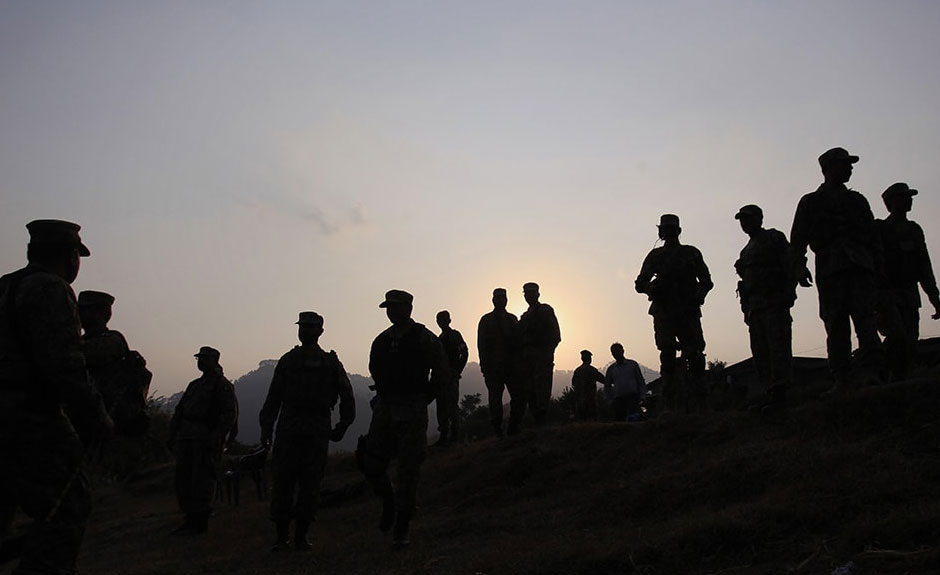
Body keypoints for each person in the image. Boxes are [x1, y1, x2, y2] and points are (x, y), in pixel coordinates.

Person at [0, 219, 113, 575]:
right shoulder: (51, 289)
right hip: (31, 419)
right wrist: (97, 417)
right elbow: (66, 366)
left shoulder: (5, 287)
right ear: (69, 256)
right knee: (68, 508)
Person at [358, 290, 448, 549]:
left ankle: (402, 525)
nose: (391, 312)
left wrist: (423, 398)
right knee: (371, 462)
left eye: (395, 307)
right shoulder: (382, 340)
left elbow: (441, 372)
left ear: (408, 308)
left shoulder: (423, 337)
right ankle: (389, 502)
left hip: (412, 407)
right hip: (386, 407)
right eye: (388, 307)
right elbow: (374, 368)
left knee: (408, 470)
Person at [259, 312, 355, 552]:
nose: (305, 331)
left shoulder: (329, 362)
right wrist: (266, 428)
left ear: (320, 331)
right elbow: (273, 397)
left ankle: (300, 537)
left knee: (310, 483)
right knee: (284, 482)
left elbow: (347, 395)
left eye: (310, 327)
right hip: (291, 426)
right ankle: (282, 538)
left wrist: (343, 425)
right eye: (302, 327)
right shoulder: (288, 360)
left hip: (314, 426)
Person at [790, 147, 883, 392]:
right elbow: (798, 239)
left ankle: (871, 371)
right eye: (845, 164)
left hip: (861, 265)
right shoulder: (811, 202)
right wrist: (799, 267)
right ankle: (842, 376)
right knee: (836, 322)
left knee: (866, 318)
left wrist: (877, 267)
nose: (850, 168)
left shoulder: (858, 200)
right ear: (829, 168)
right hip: (830, 267)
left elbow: (874, 238)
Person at [635, 214, 713, 413]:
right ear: (661, 232)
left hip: (688, 312)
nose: (668, 233)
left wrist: (698, 296)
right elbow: (640, 284)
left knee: (695, 357)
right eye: (665, 229)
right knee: (667, 357)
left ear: (678, 231)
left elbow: (706, 281)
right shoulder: (655, 256)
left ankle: (699, 404)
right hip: (664, 313)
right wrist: (652, 290)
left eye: (671, 229)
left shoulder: (691, 253)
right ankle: (670, 405)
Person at [166, 346, 237, 536]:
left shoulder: (222, 385)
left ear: (214, 361)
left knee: (203, 480)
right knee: (184, 479)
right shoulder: (194, 385)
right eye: (199, 358)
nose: (201, 362)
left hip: (206, 439)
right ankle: (189, 518)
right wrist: (172, 432)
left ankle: (199, 521)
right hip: (187, 437)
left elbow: (229, 414)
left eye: (204, 359)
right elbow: (180, 411)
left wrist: (217, 436)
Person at [733, 205, 797, 411]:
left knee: (778, 347)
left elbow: (789, 264)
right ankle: (769, 392)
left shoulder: (773, 238)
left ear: (759, 219)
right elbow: (744, 285)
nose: (745, 223)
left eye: (748, 218)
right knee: (761, 352)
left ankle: (781, 393)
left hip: (774, 302)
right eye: (742, 220)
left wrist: (788, 292)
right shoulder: (745, 251)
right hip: (756, 308)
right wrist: (746, 309)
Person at [876, 182, 940, 381]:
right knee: (897, 337)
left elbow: (924, 267)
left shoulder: (914, 230)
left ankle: (901, 377)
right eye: (903, 197)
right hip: (887, 294)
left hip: (910, 294)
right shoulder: (880, 229)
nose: (909, 200)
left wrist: (935, 298)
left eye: (909, 196)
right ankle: (879, 371)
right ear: (891, 202)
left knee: (911, 341)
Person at [79, 290, 152, 436]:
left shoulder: (111, 341)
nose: (79, 314)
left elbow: (78, 357)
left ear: (100, 313)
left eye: (84, 309)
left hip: (107, 417)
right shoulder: (84, 340)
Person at [477, 288, 522, 437]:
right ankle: (498, 430)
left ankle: (513, 428)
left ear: (506, 300)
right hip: (493, 368)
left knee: (518, 397)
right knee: (495, 400)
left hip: (512, 367)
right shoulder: (486, 320)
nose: (501, 300)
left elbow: (519, 342)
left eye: (503, 297)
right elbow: (481, 344)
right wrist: (484, 366)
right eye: (498, 298)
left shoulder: (512, 319)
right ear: (493, 300)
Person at [518, 282, 561, 427]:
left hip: (542, 357)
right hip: (527, 361)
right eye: (526, 293)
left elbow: (555, 335)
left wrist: (547, 353)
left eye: (532, 293)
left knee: (542, 392)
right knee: (530, 392)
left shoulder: (545, 310)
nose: (529, 296)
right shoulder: (524, 317)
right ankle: (537, 423)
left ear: (538, 294)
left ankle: (542, 422)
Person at [434, 310, 468, 447]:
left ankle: (454, 434)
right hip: (440, 377)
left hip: (451, 376)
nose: (441, 322)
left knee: (452, 406)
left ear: (449, 320)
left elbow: (464, 352)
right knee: (441, 406)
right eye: (439, 320)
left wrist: (457, 370)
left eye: (443, 319)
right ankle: (444, 435)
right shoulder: (438, 339)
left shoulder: (455, 335)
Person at [604, 343, 647, 421]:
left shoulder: (632, 365)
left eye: (617, 351)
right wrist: (609, 400)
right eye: (613, 352)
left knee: (633, 420)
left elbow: (640, 381)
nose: (615, 353)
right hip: (618, 401)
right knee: (621, 423)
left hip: (633, 398)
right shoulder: (611, 369)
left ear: (623, 351)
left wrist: (642, 396)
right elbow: (607, 386)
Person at [570, 350, 605, 421]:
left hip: (579, 400)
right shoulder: (592, 370)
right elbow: (603, 380)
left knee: (581, 420)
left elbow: (573, 383)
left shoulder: (577, 371)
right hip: (590, 399)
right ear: (589, 359)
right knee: (591, 420)